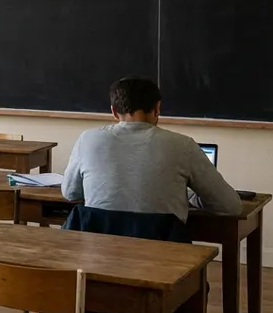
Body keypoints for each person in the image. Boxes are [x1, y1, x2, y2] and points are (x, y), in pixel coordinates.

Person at [63, 76, 242, 220]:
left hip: (100, 256)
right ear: (157, 109)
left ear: (114, 112)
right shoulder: (182, 145)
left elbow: (71, 193)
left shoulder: (87, 140)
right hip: (163, 256)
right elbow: (230, 206)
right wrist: (190, 197)